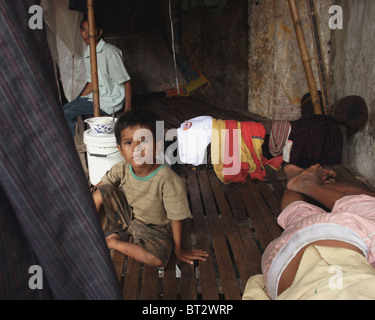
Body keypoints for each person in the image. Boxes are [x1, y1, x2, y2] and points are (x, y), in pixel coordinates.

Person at [92, 109, 208, 269]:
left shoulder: (168, 179)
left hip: (154, 228)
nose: (136, 148)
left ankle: (113, 242)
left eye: (144, 141)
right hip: (127, 216)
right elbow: (99, 188)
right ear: (120, 150)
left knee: (158, 258)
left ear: (158, 145)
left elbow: (177, 217)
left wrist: (179, 250)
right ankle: (91, 235)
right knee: (98, 195)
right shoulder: (122, 168)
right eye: (128, 143)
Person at [243, 164, 375, 300]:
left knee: (365, 206)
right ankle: (306, 182)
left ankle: (309, 185)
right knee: (298, 217)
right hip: (279, 265)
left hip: (339, 235)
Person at [63, 18, 132, 136]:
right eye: (84, 30)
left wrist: (127, 109)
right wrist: (79, 100)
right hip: (95, 97)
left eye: (90, 30)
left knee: (67, 113)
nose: (87, 34)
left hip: (109, 101)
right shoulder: (88, 52)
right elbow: (91, 83)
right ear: (80, 32)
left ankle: (73, 144)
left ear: (99, 32)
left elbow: (126, 82)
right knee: (61, 109)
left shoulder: (109, 52)